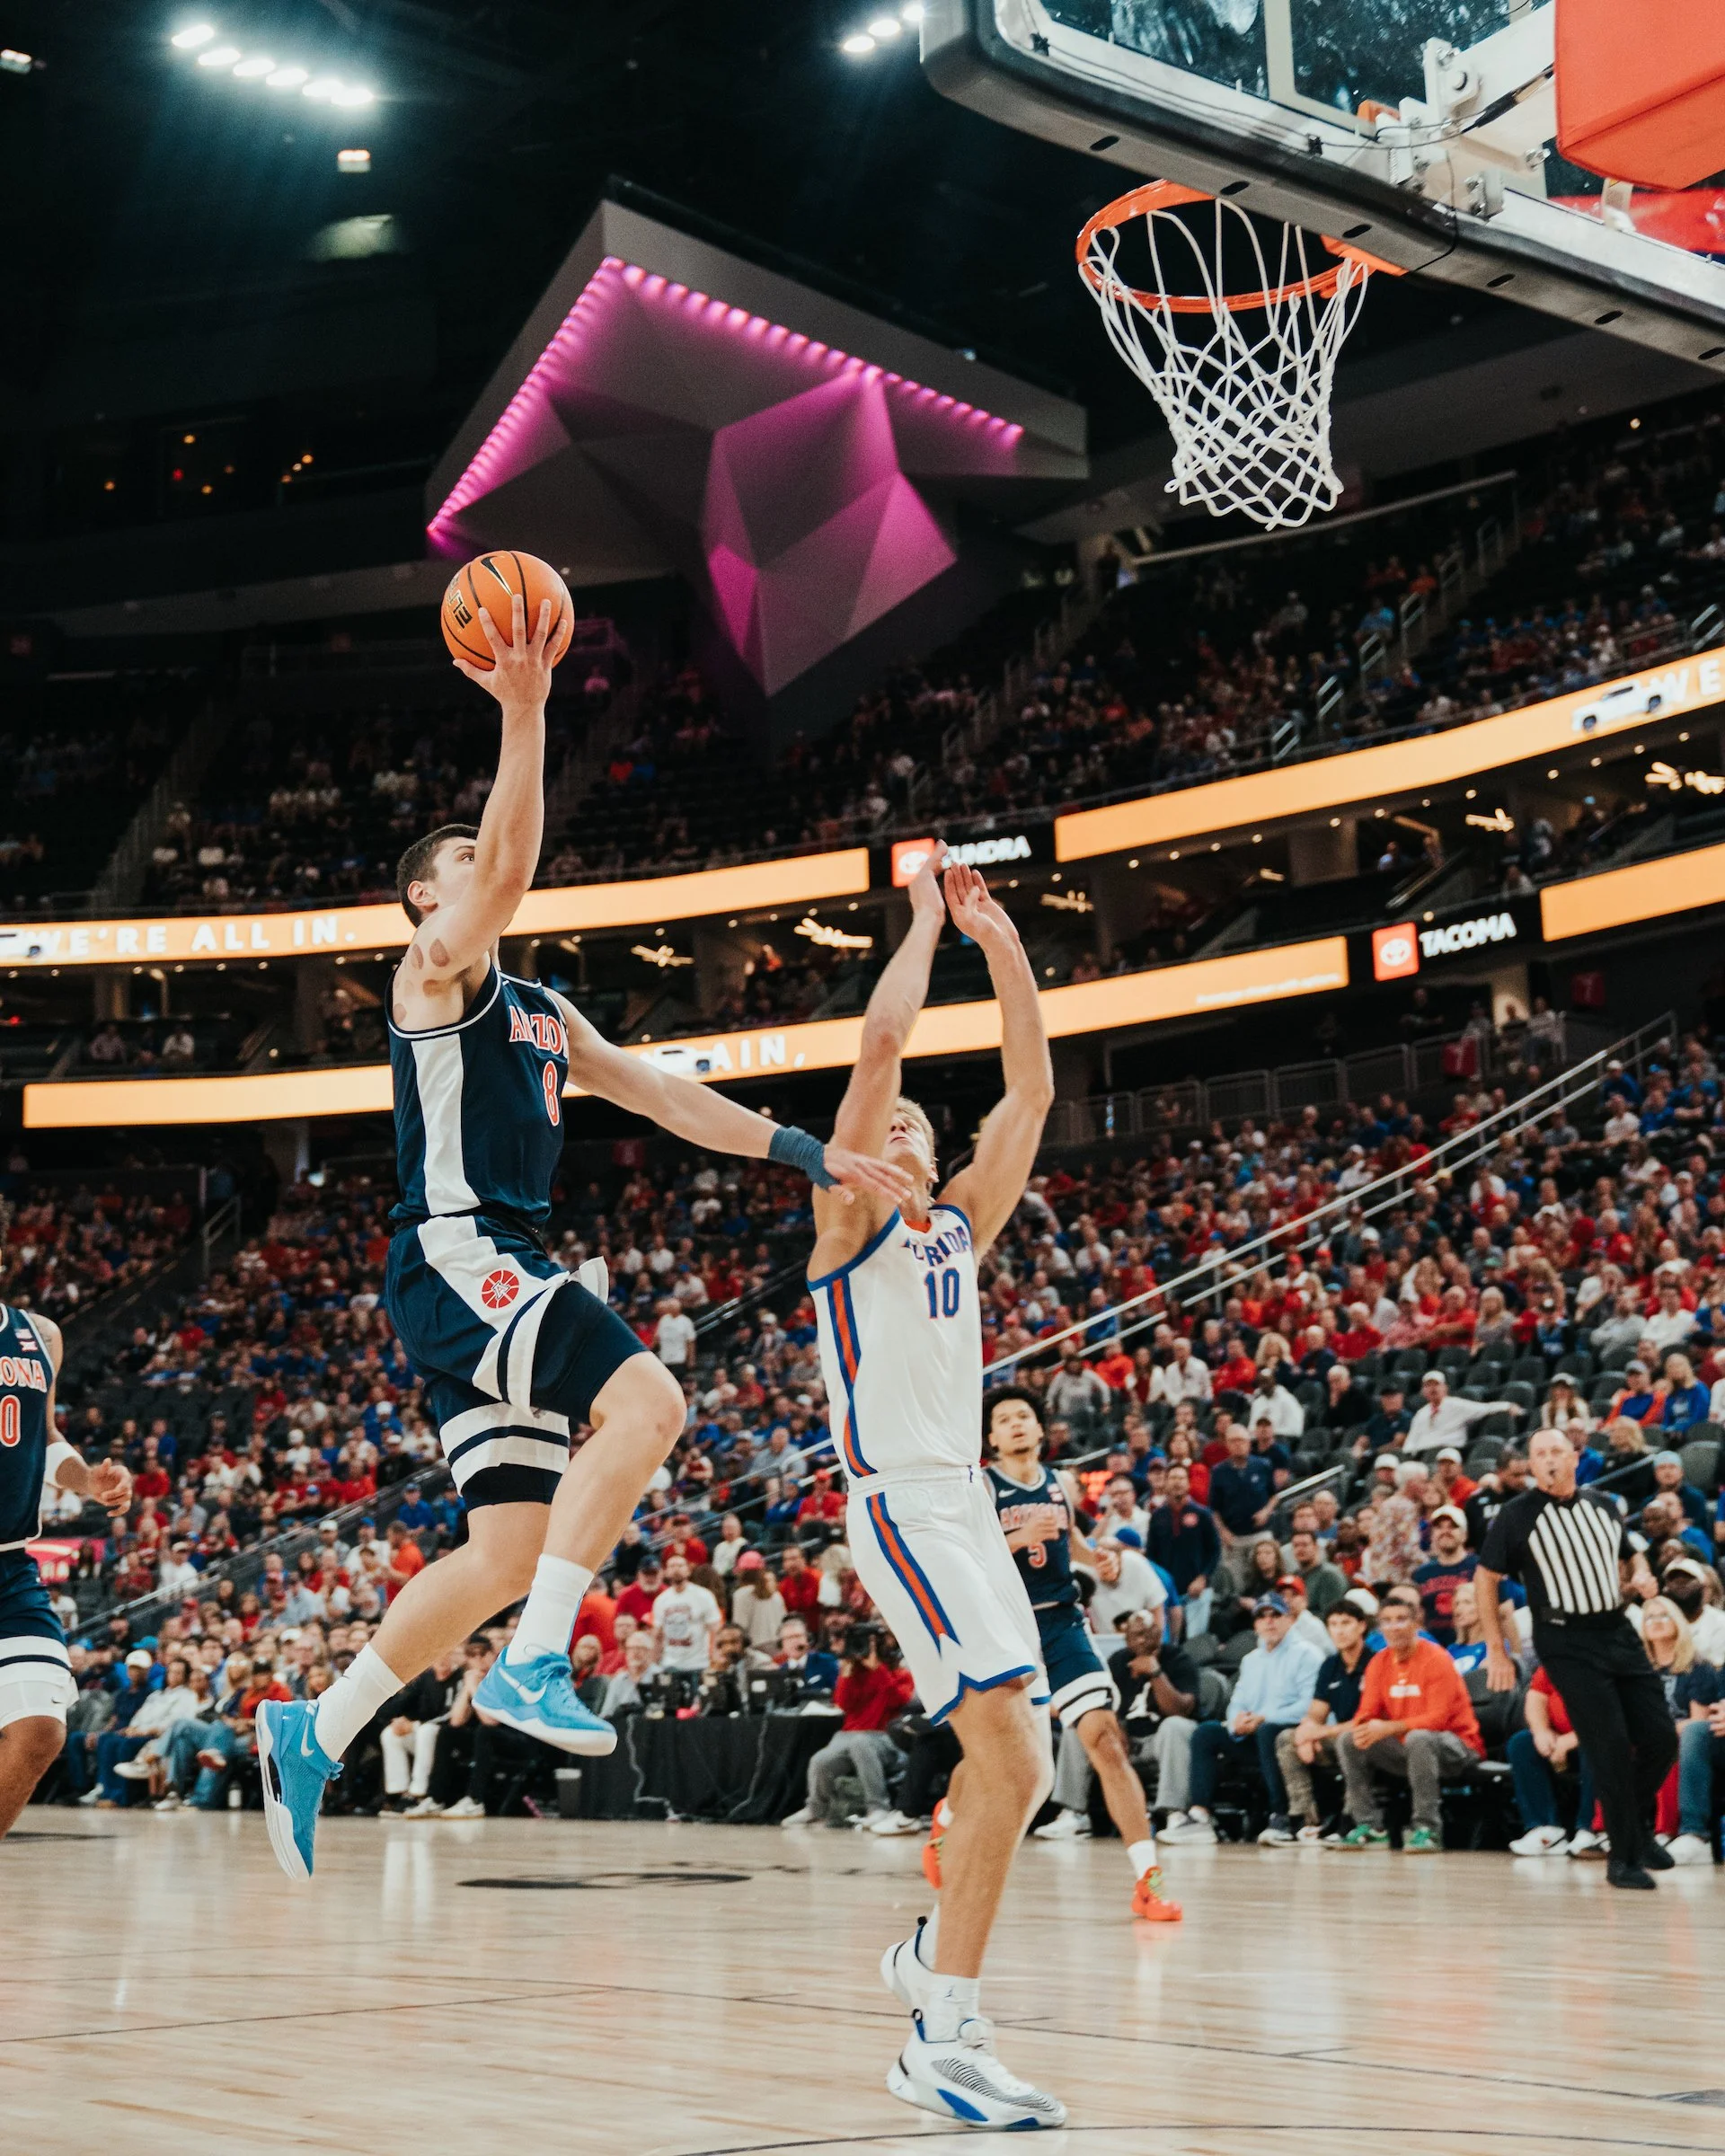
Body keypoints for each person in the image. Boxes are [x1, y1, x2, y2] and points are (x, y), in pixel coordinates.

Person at [255, 592, 909, 1880]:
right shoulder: (433, 975)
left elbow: (668, 1097)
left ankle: (313, 1726)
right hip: (457, 1248)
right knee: (651, 1401)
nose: (477, 876)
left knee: (503, 1550)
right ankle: (538, 1664)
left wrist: (805, 1149)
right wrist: (527, 707)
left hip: (479, 1274)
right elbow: (503, 871)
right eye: (453, 870)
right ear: (420, 905)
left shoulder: (544, 1009)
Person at [809, 853, 1066, 2128]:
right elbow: (882, 1039)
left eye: (917, 1120)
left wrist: (1001, 937)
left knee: (1032, 1767)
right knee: (1010, 1746)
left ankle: (930, 1966)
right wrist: (921, 922)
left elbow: (1031, 1087)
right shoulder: (845, 1225)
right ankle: (942, 2035)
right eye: (886, 1122)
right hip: (902, 1501)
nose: (902, 1124)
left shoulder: (958, 1224)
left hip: (963, 1502)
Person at [984, 1385, 1180, 1920]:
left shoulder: (1060, 1482)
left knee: (1104, 1740)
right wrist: (1020, 1535)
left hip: (1062, 1622)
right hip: (1003, 1627)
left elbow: (1069, 1542)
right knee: (999, 1762)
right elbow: (968, 1556)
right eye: (1005, 1419)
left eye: (1025, 1415)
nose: (1018, 1424)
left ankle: (1148, 1879)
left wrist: (1100, 1561)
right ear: (991, 1438)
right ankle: (949, 1819)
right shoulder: (980, 1486)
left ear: (1041, 1429)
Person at [1475, 1428, 1673, 1890]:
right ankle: (1622, 1858)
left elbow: (1632, 1556)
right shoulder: (1515, 1515)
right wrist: (1495, 1649)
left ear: (1574, 1457)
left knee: (1662, 1738)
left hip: (1618, 1629)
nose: (1548, 1460)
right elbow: (1486, 1580)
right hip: (1565, 1639)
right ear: (1530, 1464)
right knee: (1608, 1745)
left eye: (1556, 1452)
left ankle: (1634, 1831)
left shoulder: (1602, 1505)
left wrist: (1642, 1576)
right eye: (1539, 1454)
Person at [0, 1297, 133, 1841]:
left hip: (8, 1568)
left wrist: (87, 1480)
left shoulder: (39, 1334)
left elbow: (46, 1437)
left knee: (40, 1732)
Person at [1163, 1595, 1323, 1845]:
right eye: (1262, 1616)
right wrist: (1236, 1721)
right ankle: (1200, 1816)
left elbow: (1310, 1706)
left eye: (1275, 1615)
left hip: (1289, 1736)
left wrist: (1263, 1718)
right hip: (1253, 1734)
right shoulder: (1251, 1660)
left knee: (1268, 1731)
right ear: (1255, 1624)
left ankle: (1280, 1816)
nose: (1269, 1622)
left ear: (1290, 1620)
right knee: (1207, 1732)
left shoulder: (1308, 1655)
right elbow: (1238, 1701)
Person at [1333, 1595, 1484, 1851]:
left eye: (1402, 1619)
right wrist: (1366, 1727)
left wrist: (1388, 1728)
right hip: (1408, 1749)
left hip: (1457, 1747)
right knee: (1349, 1740)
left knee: (1420, 1737)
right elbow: (1365, 1713)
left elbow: (1437, 1720)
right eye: (1388, 1621)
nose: (1395, 1627)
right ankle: (1368, 1825)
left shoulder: (1437, 1659)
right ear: (1380, 1628)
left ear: (1416, 1624)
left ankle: (1427, 1829)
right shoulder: (1378, 1663)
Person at [781, 1625, 914, 1828]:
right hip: (848, 1736)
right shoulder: (852, 1674)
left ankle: (878, 1807)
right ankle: (816, 1808)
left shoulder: (898, 1673)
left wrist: (876, 1667)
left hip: (885, 1738)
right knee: (820, 1760)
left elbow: (898, 1699)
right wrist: (847, 1672)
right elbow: (843, 1703)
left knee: (861, 1743)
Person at [1273, 1590, 1376, 1842]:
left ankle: (1350, 1819)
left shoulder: (1375, 1663)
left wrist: (1319, 1733)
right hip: (1336, 1736)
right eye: (1333, 1624)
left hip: (1370, 1738)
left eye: (1346, 1624)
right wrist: (1306, 1736)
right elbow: (1316, 1713)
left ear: (1362, 1626)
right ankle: (1305, 1819)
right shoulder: (1330, 1665)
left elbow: (1368, 1720)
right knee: (1287, 1739)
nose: (1339, 1631)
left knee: (1348, 1741)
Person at [1506, 1663, 1597, 1858]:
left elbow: (1611, 1714)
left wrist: (1571, 1740)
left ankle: (1589, 1830)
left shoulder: (1608, 1659)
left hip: (1600, 1738)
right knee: (1521, 1744)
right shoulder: (1554, 1660)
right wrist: (1541, 1731)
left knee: (1598, 1748)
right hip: (1560, 1739)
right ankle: (1546, 1829)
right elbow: (1536, 1698)